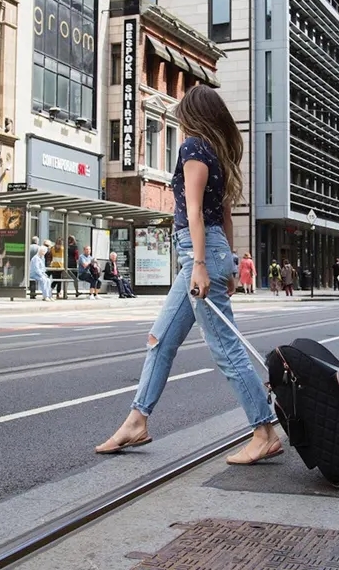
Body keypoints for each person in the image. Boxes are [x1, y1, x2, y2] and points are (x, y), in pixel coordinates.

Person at [95, 85, 282, 465]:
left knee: (227, 350)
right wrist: (227, 266)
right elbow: (226, 218)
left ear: (192, 116)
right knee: (160, 340)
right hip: (205, 254)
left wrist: (202, 265)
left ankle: (264, 431)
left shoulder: (194, 148)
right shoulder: (218, 152)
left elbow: (195, 212)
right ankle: (136, 420)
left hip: (197, 254)